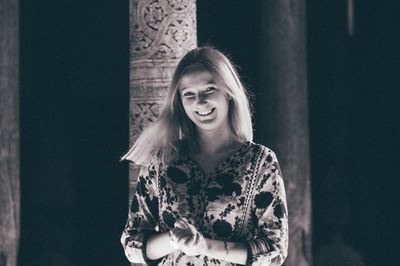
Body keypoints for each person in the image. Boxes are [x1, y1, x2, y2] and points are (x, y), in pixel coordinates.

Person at [120, 47, 288, 265]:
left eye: (209, 89)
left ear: (228, 92)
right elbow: (132, 244)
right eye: (189, 94)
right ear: (180, 102)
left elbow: (275, 249)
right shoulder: (161, 162)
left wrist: (206, 246)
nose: (200, 102)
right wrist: (173, 239)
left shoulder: (260, 161)